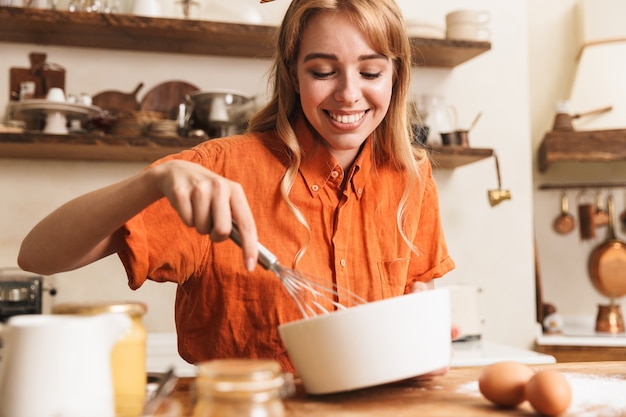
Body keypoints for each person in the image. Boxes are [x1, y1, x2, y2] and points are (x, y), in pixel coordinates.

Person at [18, 0, 455, 374]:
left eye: (371, 72)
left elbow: (416, 308)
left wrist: (424, 341)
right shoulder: (219, 169)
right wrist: (153, 181)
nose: (348, 93)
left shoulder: (410, 177)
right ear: (293, 74)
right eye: (323, 71)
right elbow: (38, 255)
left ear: (396, 75)